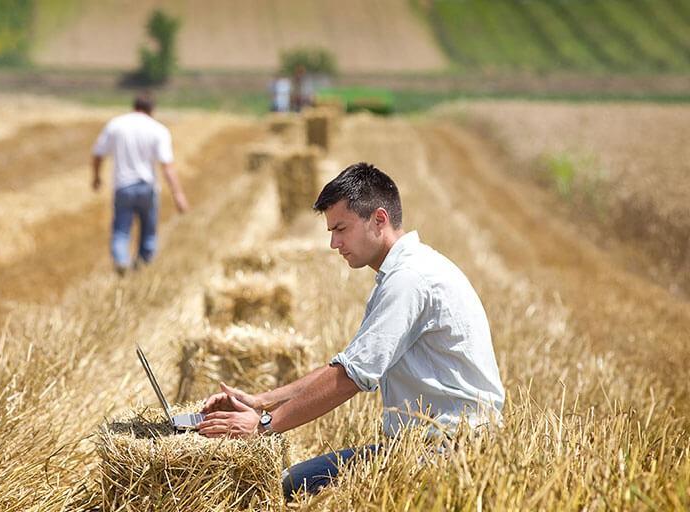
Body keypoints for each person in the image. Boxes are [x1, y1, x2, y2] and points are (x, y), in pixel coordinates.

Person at [198, 162, 504, 500]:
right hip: (423, 446)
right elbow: (346, 364)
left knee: (288, 489)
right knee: (293, 482)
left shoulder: (410, 280)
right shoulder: (403, 272)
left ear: (379, 219)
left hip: (449, 455)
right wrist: (261, 402)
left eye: (341, 229)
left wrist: (263, 426)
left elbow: (350, 378)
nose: (334, 243)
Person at [91, 93, 189, 274]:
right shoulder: (158, 129)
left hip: (123, 186)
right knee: (148, 232)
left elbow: (98, 153)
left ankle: (121, 260)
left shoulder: (116, 125)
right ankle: (143, 266)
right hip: (147, 187)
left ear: (134, 106)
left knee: (121, 230)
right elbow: (167, 167)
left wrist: (96, 178)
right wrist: (178, 194)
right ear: (151, 110)